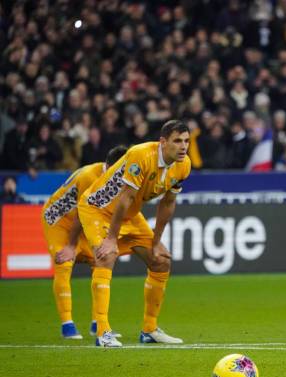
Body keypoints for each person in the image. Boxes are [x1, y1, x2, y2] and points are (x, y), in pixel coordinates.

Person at [78, 120, 191, 347]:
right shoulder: (141, 155)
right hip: (98, 209)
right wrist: (111, 238)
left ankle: (149, 330)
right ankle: (103, 332)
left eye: (186, 141)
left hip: (129, 214)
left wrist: (156, 242)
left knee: (161, 260)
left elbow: (167, 204)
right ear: (163, 142)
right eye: (177, 141)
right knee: (106, 255)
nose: (183, 146)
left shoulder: (183, 165)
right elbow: (125, 197)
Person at [42, 146, 128, 339]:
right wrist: (71, 246)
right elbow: (82, 213)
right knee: (64, 262)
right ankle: (67, 324)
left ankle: (97, 323)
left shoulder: (112, 177)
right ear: (111, 166)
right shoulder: (91, 177)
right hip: (58, 219)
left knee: (99, 261)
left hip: (81, 222)